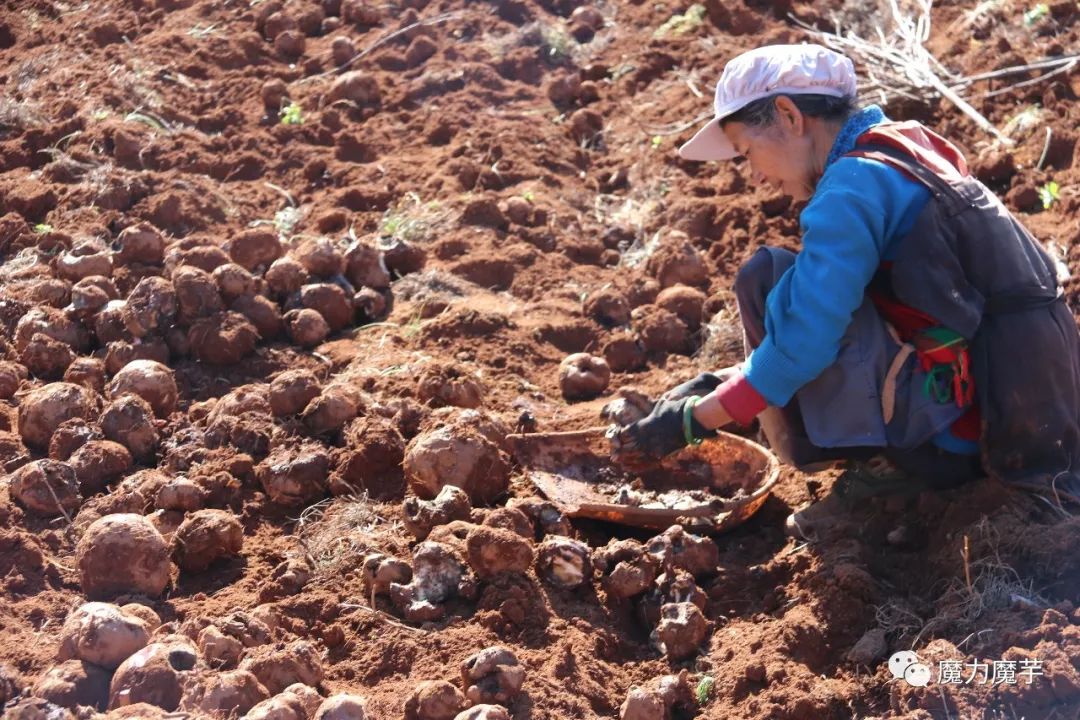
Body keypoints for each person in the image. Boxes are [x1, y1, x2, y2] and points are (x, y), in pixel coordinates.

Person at [617, 43, 1080, 539]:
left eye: (748, 152)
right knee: (789, 285)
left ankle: (900, 467)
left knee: (766, 280)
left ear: (789, 115)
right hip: (1041, 398)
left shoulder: (848, 189)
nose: (754, 176)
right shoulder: (906, 144)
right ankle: (917, 451)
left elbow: (802, 348)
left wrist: (690, 421)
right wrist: (721, 380)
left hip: (981, 425)